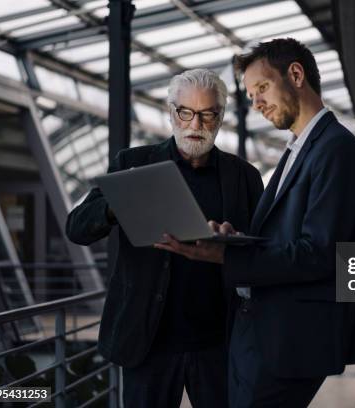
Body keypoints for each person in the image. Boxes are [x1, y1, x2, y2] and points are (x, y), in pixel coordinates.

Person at [155, 39, 355, 408]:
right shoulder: (300, 148)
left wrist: (225, 258)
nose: (255, 103)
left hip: (291, 341)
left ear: (296, 75)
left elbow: (320, 254)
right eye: (251, 94)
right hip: (264, 333)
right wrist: (235, 241)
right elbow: (286, 238)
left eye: (262, 88)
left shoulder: (336, 150)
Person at [65, 68, 263, 408]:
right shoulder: (132, 164)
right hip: (148, 344)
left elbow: (264, 249)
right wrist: (117, 207)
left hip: (219, 343)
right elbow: (77, 228)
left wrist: (237, 241)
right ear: (172, 112)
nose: (195, 125)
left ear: (221, 116)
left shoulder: (243, 177)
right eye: (186, 112)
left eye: (207, 114)